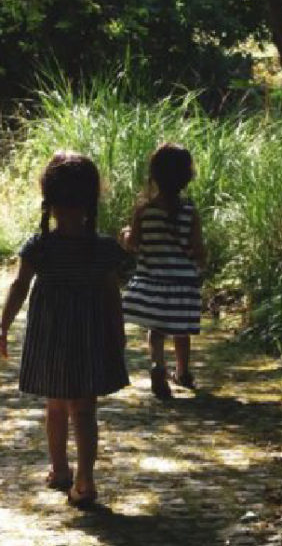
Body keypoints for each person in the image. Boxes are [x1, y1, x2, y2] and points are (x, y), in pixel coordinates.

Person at [0, 151, 129, 508]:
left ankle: (59, 469)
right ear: (91, 200)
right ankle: (84, 480)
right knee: (84, 410)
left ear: (48, 201)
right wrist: (118, 335)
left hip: (50, 339)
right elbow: (112, 296)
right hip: (89, 338)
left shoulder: (40, 247)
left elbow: (19, 286)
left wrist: (2, 327)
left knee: (55, 405)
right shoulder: (103, 250)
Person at [119, 143, 206, 399]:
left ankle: (158, 365)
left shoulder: (144, 211)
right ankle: (183, 371)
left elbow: (133, 244)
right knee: (182, 329)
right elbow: (198, 249)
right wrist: (199, 262)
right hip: (182, 283)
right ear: (186, 178)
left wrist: (124, 235)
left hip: (152, 281)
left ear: (154, 176)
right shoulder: (190, 212)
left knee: (156, 330)